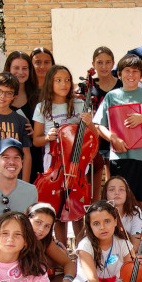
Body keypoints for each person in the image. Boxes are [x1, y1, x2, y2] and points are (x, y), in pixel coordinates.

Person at [92, 55, 142, 231]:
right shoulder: (112, 96)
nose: (131, 75)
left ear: (141, 74)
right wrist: (113, 138)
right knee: (118, 200)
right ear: (119, 74)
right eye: (127, 71)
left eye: (135, 71)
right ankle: (118, 235)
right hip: (119, 156)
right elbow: (98, 125)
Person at [31, 64, 90, 249]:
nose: (63, 84)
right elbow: (36, 140)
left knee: (77, 209)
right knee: (57, 209)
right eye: (58, 80)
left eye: (66, 80)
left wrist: (91, 125)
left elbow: (91, 137)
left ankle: (82, 251)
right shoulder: (42, 107)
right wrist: (47, 137)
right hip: (55, 162)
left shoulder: (80, 104)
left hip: (77, 164)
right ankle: (61, 249)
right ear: (50, 83)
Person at [72, 200, 142, 282]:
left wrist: (139, 264)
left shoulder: (123, 244)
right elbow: (92, 278)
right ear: (89, 226)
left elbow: (130, 276)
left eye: (107, 221)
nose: (102, 227)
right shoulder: (85, 245)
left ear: (115, 221)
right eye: (96, 223)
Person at [86, 46, 121, 201]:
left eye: (108, 62)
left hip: (115, 136)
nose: (104, 66)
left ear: (113, 64)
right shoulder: (87, 86)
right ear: (93, 64)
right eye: (99, 62)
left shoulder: (121, 85)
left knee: (114, 182)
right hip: (94, 139)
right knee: (93, 183)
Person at [26, 203, 77, 282]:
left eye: (47, 226)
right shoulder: (16, 239)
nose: (41, 229)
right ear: (28, 219)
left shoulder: (45, 242)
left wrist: (67, 281)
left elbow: (69, 263)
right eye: (38, 222)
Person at [4, 51, 41, 179]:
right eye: (16, 68)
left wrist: (34, 131)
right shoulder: (1, 96)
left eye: (25, 68)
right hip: (8, 157)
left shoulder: (38, 96)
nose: (20, 72)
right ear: (8, 69)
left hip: (34, 156)